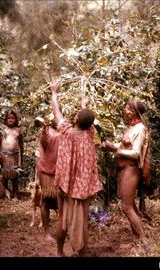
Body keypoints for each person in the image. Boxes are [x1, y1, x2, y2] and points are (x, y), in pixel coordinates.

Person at [50, 83, 103, 256]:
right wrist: (83, 101)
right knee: (82, 222)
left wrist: (54, 93)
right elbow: (86, 116)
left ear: (75, 120)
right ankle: (82, 253)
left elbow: (56, 112)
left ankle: (59, 251)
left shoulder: (67, 131)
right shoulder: (90, 133)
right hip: (84, 188)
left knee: (62, 220)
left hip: (66, 186)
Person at [102, 100, 149, 242]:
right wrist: (109, 146)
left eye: (127, 109)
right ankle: (138, 237)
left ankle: (143, 240)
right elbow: (124, 146)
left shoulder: (140, 128)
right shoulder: (132, 127)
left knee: (126, 207)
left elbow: (135, 153)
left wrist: (115, 149)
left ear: (134, 112)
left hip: (131, 169)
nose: (125, 110)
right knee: (130, 205)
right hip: (124, 170)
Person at [36, 116, 61, 237]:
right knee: (45, 200)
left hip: (60, 172)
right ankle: (47, 232)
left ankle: (61, 231)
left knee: (61, 201)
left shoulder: (65, 130)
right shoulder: (45, 131)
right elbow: (41, 150)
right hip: (46, 171)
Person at [0, 110, 24, 199]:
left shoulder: (18, 130)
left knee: (15, 175)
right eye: (9, 118)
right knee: (5, 175)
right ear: (6, 120)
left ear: (16, 120)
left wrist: (21, 157)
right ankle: (5, 192)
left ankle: (15, 192)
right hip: (4, 155)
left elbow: (21, 144)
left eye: (13, 118)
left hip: (15, 155)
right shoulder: (2, 129)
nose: (11, 120)